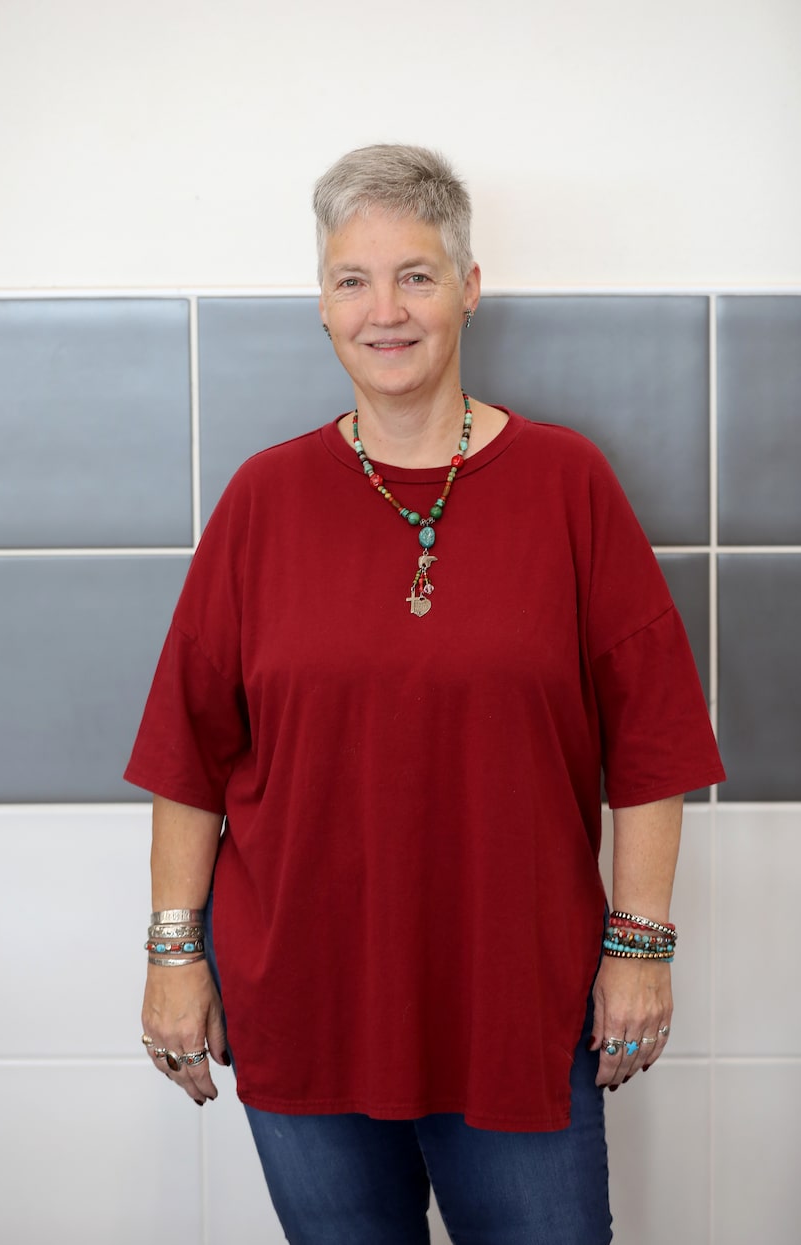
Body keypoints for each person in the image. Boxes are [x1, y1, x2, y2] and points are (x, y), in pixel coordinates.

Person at [126, 143, 725, 1245]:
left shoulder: (565, 484)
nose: (382, 310)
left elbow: (652, 742)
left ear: (467, 290)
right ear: (321, 305)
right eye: (352, 279)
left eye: (414, 274)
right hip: (298, 997)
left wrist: (637, 948)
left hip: (513, 998)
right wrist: (174, 955)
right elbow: (189, 755)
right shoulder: (263, 499)